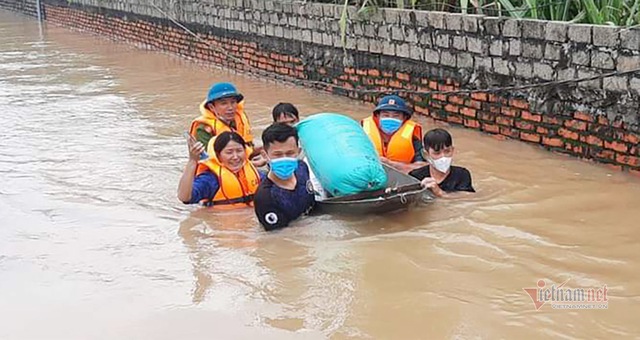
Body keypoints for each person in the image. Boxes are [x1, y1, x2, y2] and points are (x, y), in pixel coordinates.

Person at [254, 123, 315, 231]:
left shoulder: (302, 168)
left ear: (299, 152)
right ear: (265, 155)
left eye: (290, 153)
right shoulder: (265, 198)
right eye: (277, 154)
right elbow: (280, 238)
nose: (284, 158)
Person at [189, 82, 266, 167]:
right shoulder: (204, 129)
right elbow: (209, 161)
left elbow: (246, 148)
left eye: (233, 102)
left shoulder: (237, 121)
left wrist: (266, 149)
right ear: (212, 107)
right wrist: (253, 164)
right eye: (224, 103)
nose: (230, 107)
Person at [178, 131, 264, 208]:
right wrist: (192, 161)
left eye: (239, 151)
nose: (235, 157)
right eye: (229, 152)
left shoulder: (256, 174)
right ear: (218, 155)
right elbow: (184, 197)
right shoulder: (210, 179)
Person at [361, 95, 425, 173]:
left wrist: (391, 164)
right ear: (377, 116)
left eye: (396, 116)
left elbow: (422, 167)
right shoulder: (363, 131)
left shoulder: (412, 136)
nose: (390, 119)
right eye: (386, 115)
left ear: (404, 118)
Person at [409, 128, 475, 197]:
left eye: (447, 151)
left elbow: (468, 197)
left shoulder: (462, 174)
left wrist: (440, 193)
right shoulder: (415, 176)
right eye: (437, 153)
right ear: (426, 154)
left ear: (452, 150)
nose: (443, 157)